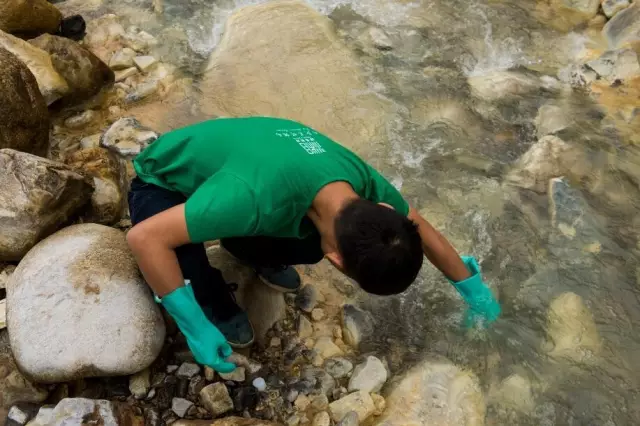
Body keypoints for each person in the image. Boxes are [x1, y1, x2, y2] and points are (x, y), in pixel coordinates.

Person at [127, 116, 500, 373]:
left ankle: (247, 251)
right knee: (182, 259)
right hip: (164, 182)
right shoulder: (252, 199)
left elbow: (423, 230)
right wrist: (192, 326)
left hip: (249, 167)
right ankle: (214, 304)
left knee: (308, 245)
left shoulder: (364, 191)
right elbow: (143, 238)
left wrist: (473, 289)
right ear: (337, 261)